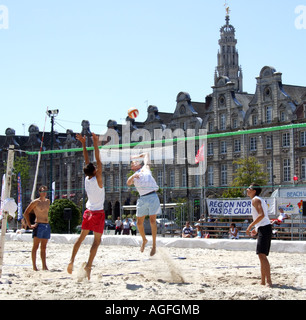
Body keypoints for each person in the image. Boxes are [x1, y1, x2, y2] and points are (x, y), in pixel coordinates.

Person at [67, 133, 105, 280]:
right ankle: (89, 265)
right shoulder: (98, 179)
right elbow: (98, 159)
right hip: (98, 213)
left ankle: (71, 261)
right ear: (95, 171)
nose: (96, 166)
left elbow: (87, 161)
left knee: (80, 239)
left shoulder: (87, 179)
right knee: (96, 242)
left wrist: (84, 143)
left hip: (88, 212)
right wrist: (95, 142)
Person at [127, 152, 161, 256]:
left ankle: (154, 245)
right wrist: (133, 176)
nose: (136, 162)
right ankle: (144, 240)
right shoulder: (134, 175)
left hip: (152, 196)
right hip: (142, 198)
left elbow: (146, 154)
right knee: (139, 223)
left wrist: (136, 156)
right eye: (133, 163)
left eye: (136, 162)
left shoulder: (146, 168)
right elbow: (128, 183)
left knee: (152, 220)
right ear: (133, 167)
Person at [246, 183, 273, 287]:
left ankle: (269, 281)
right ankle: (262, 281)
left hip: (265, 228)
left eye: (249, 188)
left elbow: (261, 215)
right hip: (263, 228)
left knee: (262, 255)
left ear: (254, 191)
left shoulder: (255, 200)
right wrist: (256, 228)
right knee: (261, 255)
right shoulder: (258, 199)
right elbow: (263, 217)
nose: (247, 189)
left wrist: (250, 226)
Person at [24, 185, 51, 271]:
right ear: (39, 192)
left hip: (46, 225)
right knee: (35, 246)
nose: (44, 192)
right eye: (42, 191)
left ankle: (44, 266)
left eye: (45, 191)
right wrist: (29, 225)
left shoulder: (48, 201)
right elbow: (26, 213)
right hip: (38, 225)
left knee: (44, 247)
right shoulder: (35, 202)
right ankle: (34, 266)